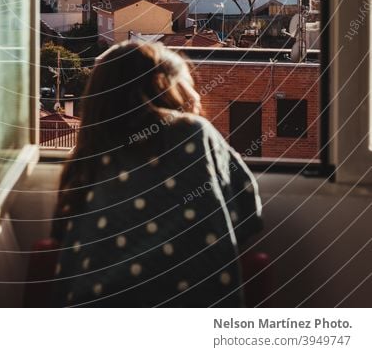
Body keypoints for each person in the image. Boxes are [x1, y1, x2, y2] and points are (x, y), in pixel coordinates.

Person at [51, 40, 263, 307]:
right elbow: (248, 211)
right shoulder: (191, 132)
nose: (196, 96)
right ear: (167, 87)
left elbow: (61, 235)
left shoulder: (84, 160)